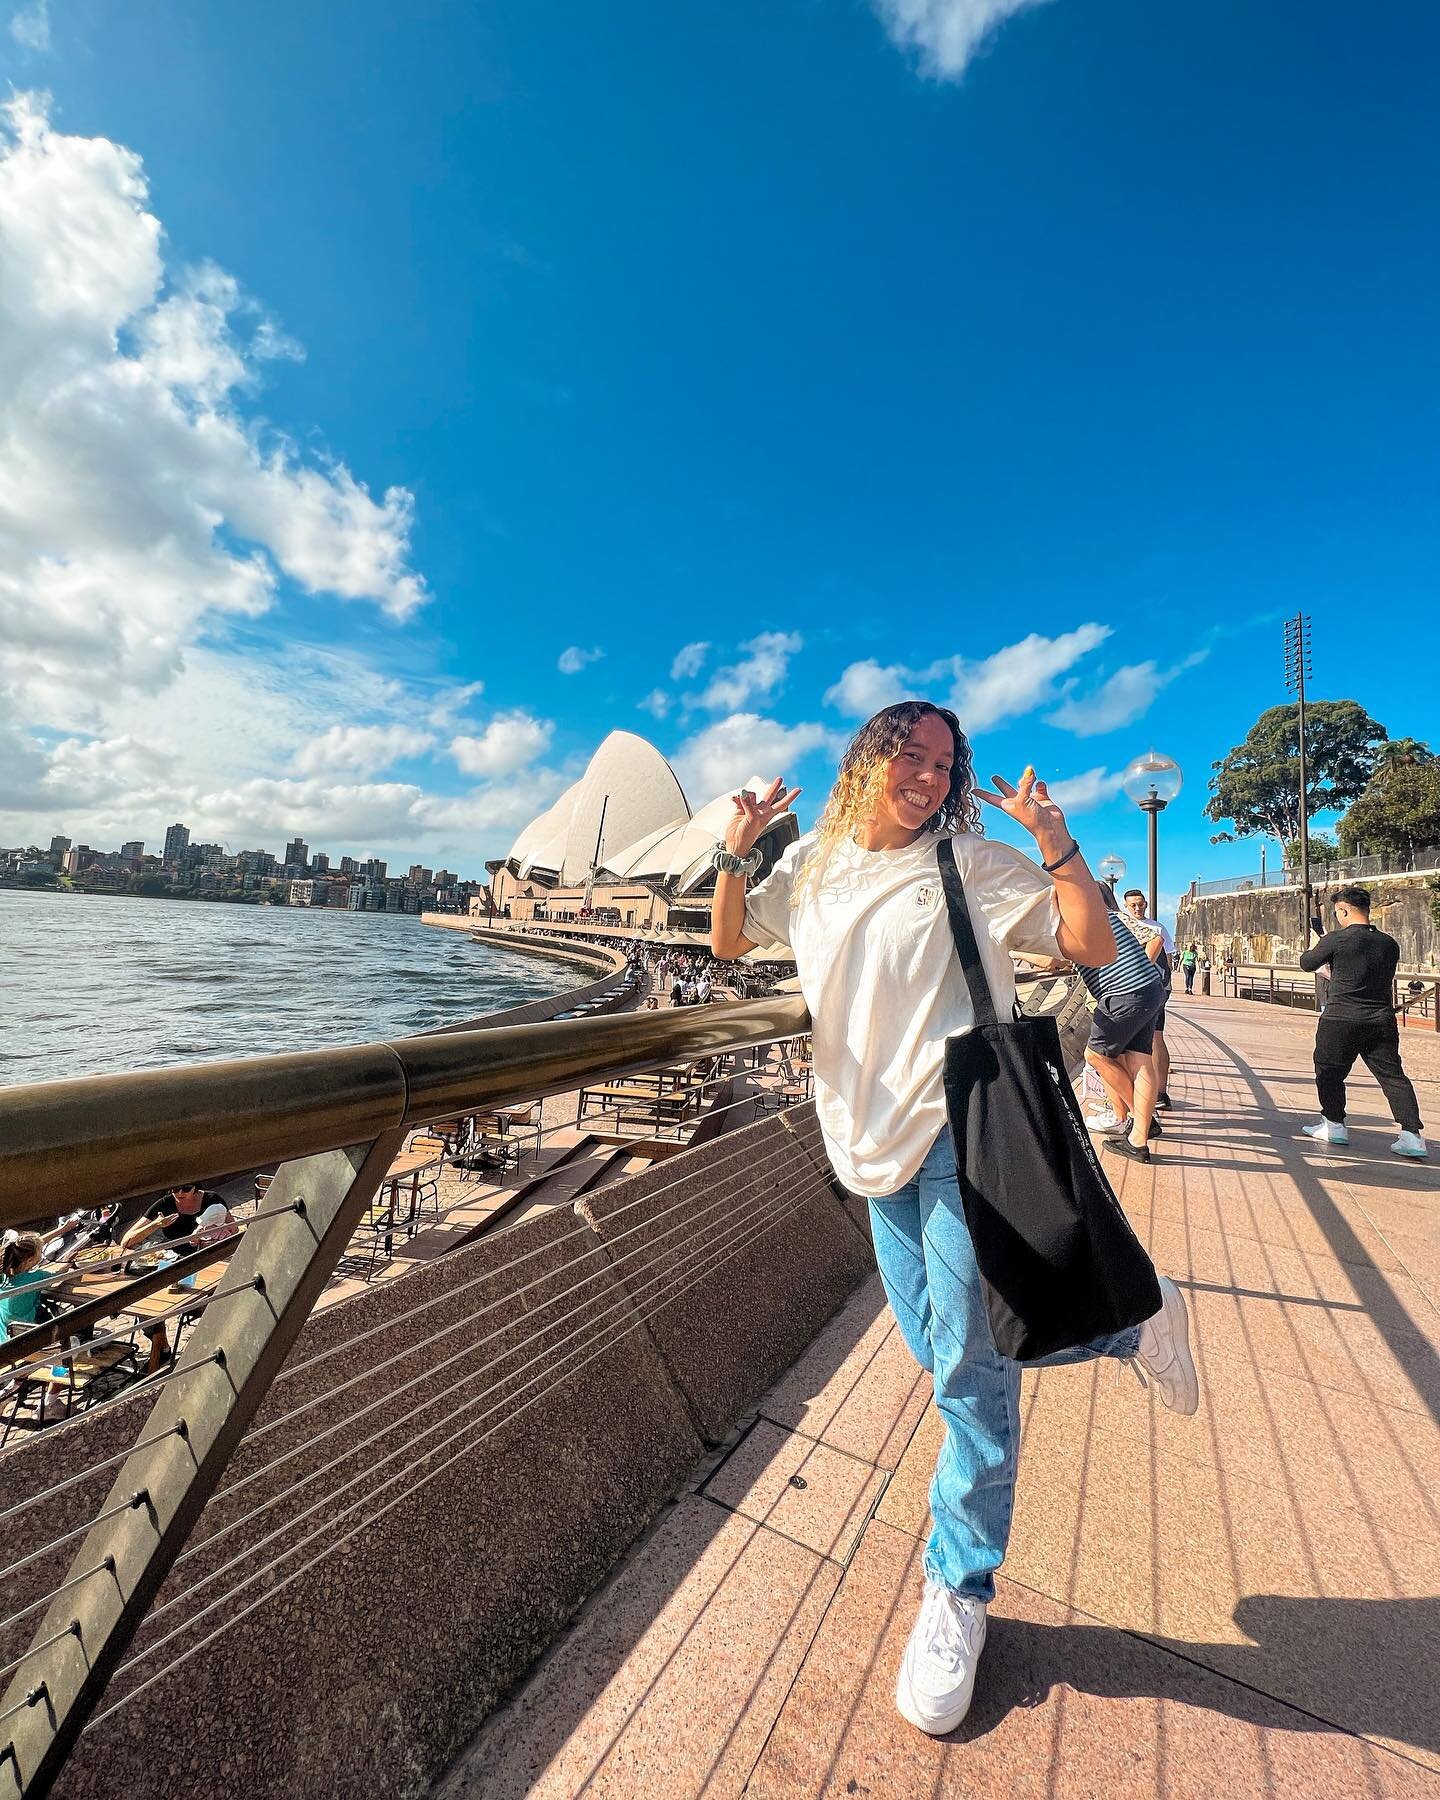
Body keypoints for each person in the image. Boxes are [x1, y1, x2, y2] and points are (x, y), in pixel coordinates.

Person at [711, 702, 1199, 1739]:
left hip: (956, 1130)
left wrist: (1055, 843)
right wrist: (737, 850)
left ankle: (959, 1593)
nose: (929, 776)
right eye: (910, 756)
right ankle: (1133, 1324)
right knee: (942, 1353)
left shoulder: (968, 863)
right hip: (861, 1144)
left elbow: (1086, 944)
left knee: (969, 1378)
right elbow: (727, 939)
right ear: (864, 760)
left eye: (945, 762)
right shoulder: (816, 867)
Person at [1298, 887, 1427, 1158]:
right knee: (1393, 1077)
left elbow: (1307, 963)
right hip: (1380, 1019)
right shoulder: (1389, 943)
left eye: (1338, 913)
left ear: (1343, 910)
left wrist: (1317, 943)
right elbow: (1364, 975)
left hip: (1340, 1018)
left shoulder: (1336, 939)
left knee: (1329, 1072)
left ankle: (1334, 1125)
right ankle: (1412, 1135)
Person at [1079, 885, 1168, 1164]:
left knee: (1095, 1055)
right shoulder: (1115, 917)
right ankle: (1139, 1134)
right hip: (1150, 987)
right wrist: (1138, 965)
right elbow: (1155, 937)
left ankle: (1141, 1122)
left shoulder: (1086, 917)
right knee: (1139, 1059)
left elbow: (1051, 959)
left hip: (1124, 994)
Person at [1122, 890, 1175, 1108]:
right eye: (1133, 905)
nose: (1137, 908)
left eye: (1140, 904)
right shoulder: (1153, 928)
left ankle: (1156, 1093)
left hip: (1148, 989)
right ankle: (1152, 1093)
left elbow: (1169, 960)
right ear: (1126, 906)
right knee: (1150, 1038)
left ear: (1146, 904)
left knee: (1151, 1039)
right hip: (1149, 989)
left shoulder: (1155, 928)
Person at [119, 1183, 229, 1255]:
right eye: (176, 1189)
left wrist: (215, 1237)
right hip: (171, 1257)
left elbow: (233, 1229)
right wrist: (155, 1225)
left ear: (195, 1187)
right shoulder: (165, 1203)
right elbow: (126, 1242)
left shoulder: (212, 1199)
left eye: (186, 1189)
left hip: (205, 1253)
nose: (180, 1193)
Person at [1, 1230, 50, 1334]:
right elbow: (58, 1274)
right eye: (40, 1252)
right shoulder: (36, 1277)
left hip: (6, 1333)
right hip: (28, 1330)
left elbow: (32, 1246)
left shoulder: (3, 1276)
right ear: (30, 1260)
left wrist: (64, 1228)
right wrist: (68, 1262)